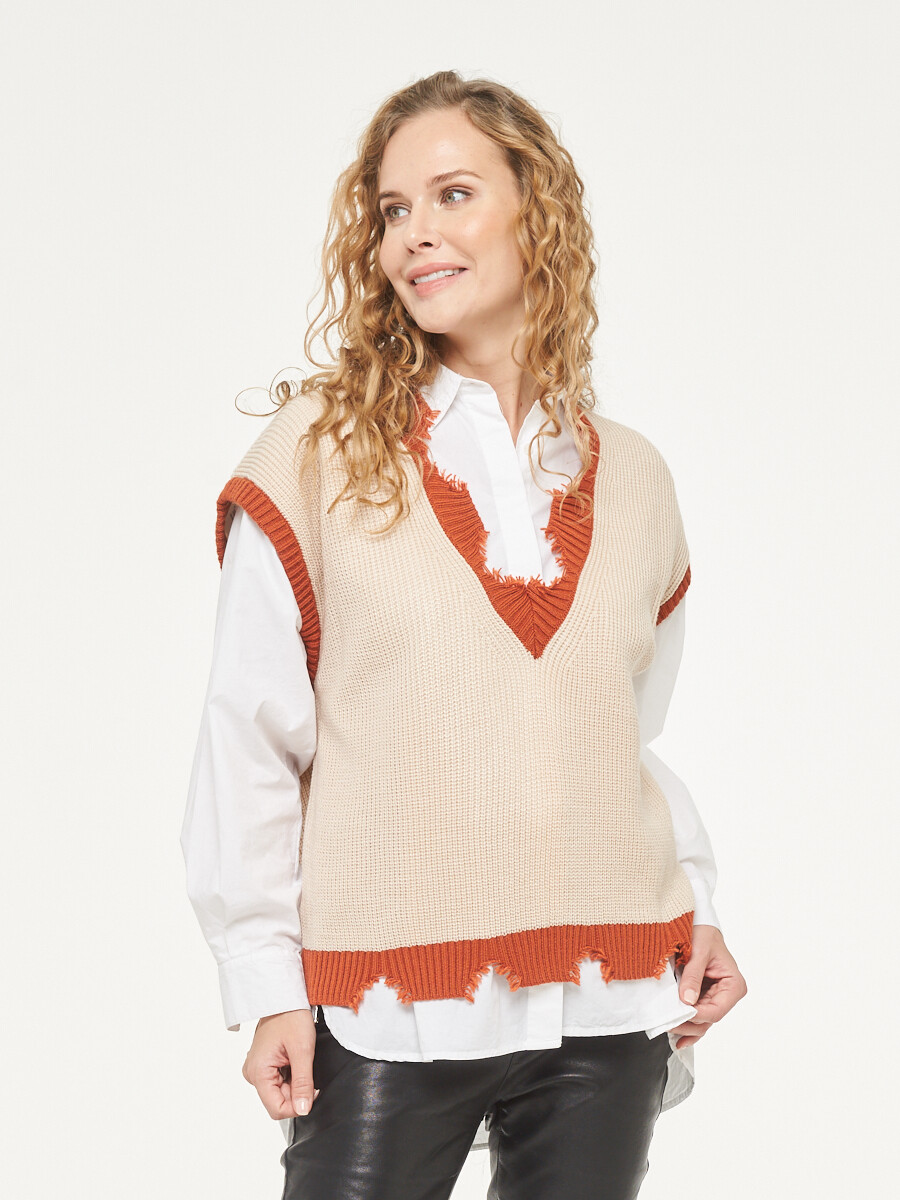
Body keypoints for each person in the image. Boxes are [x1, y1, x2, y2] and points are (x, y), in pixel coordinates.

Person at [181, 69, 747, 1200]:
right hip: (389, 1000)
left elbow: (622, 737)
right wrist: (265, 981)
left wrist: (698, 907)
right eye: (393, 209)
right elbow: (249, 735)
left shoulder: (636, 478)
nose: (415, 235)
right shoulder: (315, 454)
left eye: (452, 194)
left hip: (610, 999)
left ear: (538, 212)